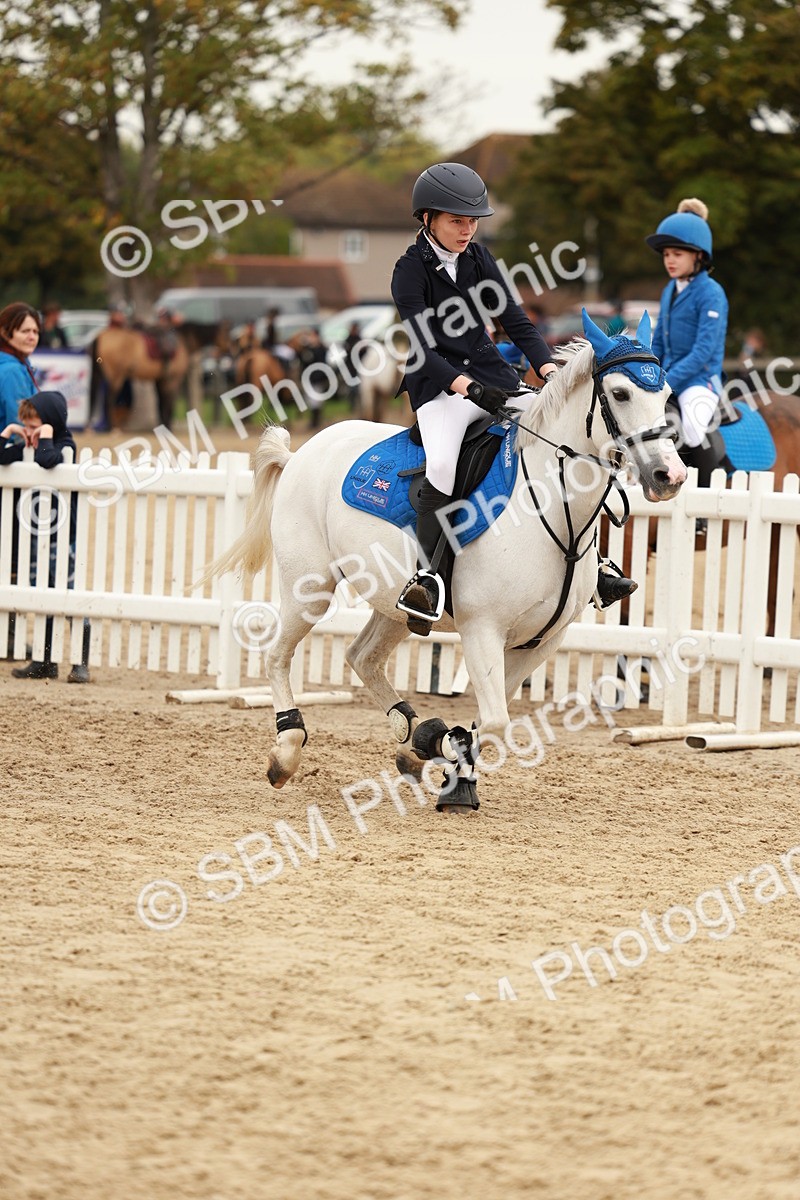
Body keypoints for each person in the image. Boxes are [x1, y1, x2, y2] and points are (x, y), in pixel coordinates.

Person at [390, 162, 560, 627]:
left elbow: (516, 319)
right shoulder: (409, 271)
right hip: (439, 387)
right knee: (443, 464)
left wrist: (547, 367)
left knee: (557, 430)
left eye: (473, 221)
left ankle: (588, 562)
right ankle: (425, 580)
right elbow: (424, 350)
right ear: (428, 218)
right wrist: (467, 388)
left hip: (492, 376)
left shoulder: (479, 259)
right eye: (456, 220)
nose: (468, 230)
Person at [0, 391, 92, 682]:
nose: (30, 433)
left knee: (69, 594)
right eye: (25, 425)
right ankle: (45, 660)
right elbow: (1, 455)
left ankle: (80, 663)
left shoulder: (63, 446)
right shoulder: (27, 445)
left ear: (50, 423)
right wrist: (10, 432)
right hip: (36, 537)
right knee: (42, 597)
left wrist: (47, 435)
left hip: (62, 536)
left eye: (34, 425)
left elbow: (49, 460)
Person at [646, 198, 730, 485]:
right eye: (667, 254)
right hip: (667, 377)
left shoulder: (711, 293)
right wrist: (650, 372)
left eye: (677, 254)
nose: (669, 260)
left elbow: (703, 351)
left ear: (698, 256)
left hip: (700, 380)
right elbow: (658, 341)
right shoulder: (670, 289)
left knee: (692, 428)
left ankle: (706, 499)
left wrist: (668, 380)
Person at [0, 302, 40, 432]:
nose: (32, 337)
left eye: (35, 331)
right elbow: (22, 426)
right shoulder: (12, 371)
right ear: (5, 332)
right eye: (25, 331)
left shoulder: (20, 365)